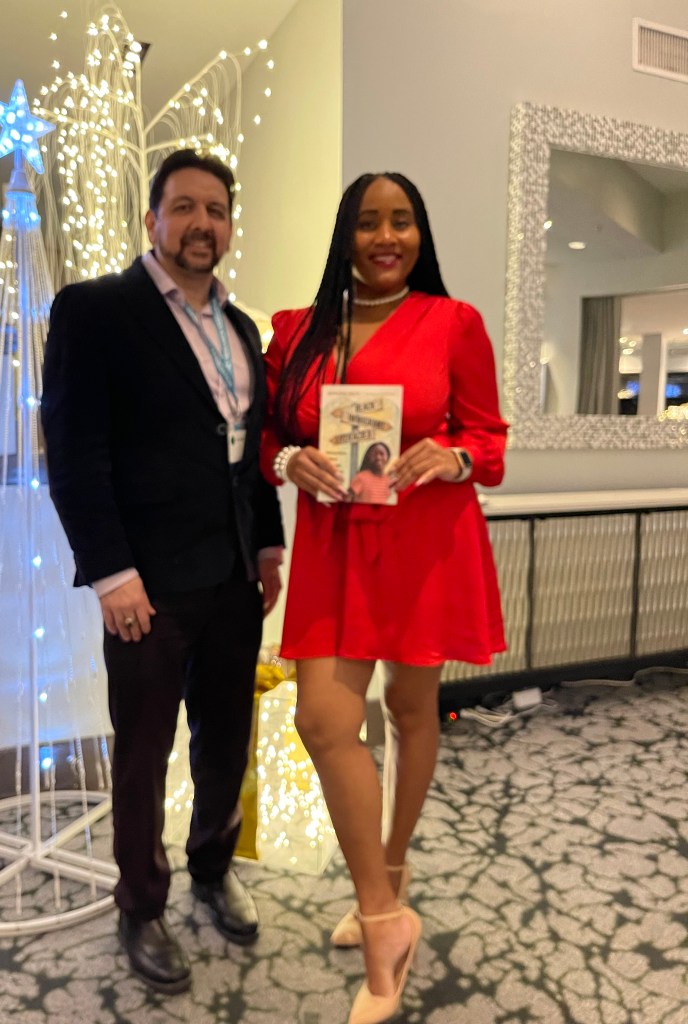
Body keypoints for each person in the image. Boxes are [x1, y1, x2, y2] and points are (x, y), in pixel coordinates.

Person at [261, 172, 507, 1024]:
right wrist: (287, 460)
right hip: (334, 546)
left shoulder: (454, 322)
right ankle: (384, 916)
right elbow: (269, 432)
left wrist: (455, 456)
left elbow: (490, 440)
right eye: (369, 222)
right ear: (347, 234)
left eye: (402, 221)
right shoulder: (298, 330)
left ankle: (390, 872)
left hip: (424, 542)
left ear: (420, 234)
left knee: (409, 707)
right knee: (324, 721)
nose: (386, 237)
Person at [41, 149, 284, 994]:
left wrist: (267, 546)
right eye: (183, 207)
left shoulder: (242, 329)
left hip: (233, 578)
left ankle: (213, 869)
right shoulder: (96, 310)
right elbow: (75, 453)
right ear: (153, 220)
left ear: (229, 225)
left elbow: (248, 455)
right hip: (146, 585)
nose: (200, 224)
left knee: (227, 740)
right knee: (143, 752)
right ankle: (141, 906)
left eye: (215, 210)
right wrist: (112, 574)